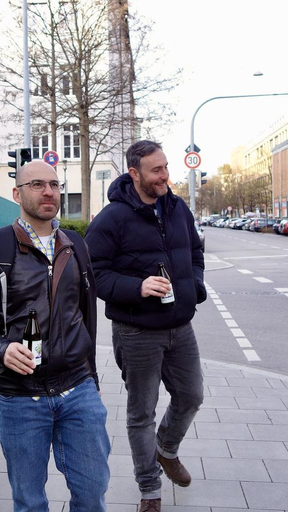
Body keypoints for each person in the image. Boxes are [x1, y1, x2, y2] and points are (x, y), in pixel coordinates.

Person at [84, 140, 206, 512]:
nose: (166, 176)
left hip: (180, 326)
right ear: (134, 173)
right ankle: (150, 490)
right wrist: (136, 287)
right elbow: (92, 275)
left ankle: (166, 449)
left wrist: (195, 286)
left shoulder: (177, 207)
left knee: (191, 396)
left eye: (166, 167)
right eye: (156, 170)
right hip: (136, 331)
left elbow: (195, 251)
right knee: (142, 412)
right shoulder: (112, 218)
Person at [0, 160, 110, 511]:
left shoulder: (75, 245)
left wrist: (92, 378)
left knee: (92, 494)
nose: (49, 192)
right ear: (18, 193)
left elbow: (87, 313)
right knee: (29, 500)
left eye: (55, 185)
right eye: (38, 184)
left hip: (78, 388)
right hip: (19, 397)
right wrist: (0, 349)